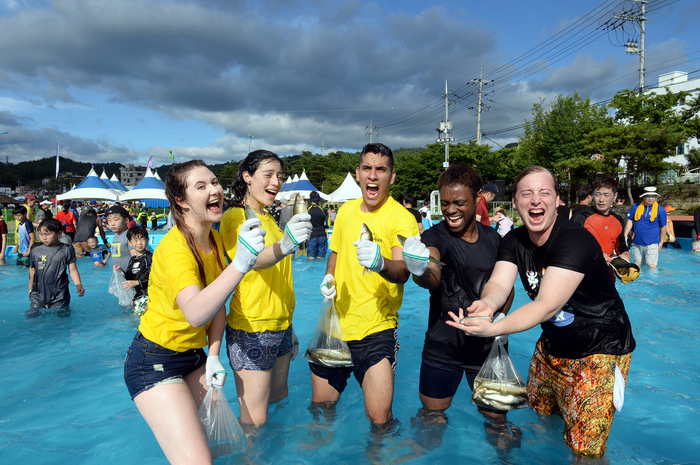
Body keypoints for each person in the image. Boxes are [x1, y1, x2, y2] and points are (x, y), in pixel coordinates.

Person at [450, 166, 636, 458]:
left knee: (585, 450)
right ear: (515, 202)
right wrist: (486, 305)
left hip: (600, 350)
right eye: (527, 193)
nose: (536, 200)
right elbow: (499, 283)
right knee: (543, 420)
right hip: (552, 347)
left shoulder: (574, 240)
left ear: (558, 200)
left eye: (544, 193)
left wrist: (495, 328)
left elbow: (547, 304)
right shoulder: (514, 241)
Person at [124, 160, 266, 464]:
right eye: (201, 186)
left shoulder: (212, 240)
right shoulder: (175, 249)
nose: (214, 189)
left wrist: (213, 355)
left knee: (228, 448)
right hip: (154, 362)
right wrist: (240, 265)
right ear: (181, 200)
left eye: (215, 182)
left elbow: (217, 307)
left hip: (194, 357)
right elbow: (195, 313)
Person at [400, 164, 519, 454]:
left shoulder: (494, 239)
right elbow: (432, 275)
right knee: (431, 421)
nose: (450, 210)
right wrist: (419, 267)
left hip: (487, 350)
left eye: (459, 203)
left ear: (478, 198)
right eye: (446, 203)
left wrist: (500, 316)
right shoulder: (435, 237)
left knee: (498, 426)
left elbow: (507, 287)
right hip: (443, 347)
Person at [314, 143, 419, 427]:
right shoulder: (346, 211)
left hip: (376, 329)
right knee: (321, 410)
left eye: (381, 170)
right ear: (358, 173)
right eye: (367, 168)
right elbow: (334, 254)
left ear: (392, 176)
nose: (373, 176)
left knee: (380, 420)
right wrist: (329, 278)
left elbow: (403, 270)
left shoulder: (401, 218)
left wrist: (380, 262)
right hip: (334, 324)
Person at [220, 150, 312, 427]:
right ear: (247, 177)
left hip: (280, 324)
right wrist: (285, 245)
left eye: (280, 176)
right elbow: (253, 261)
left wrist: (289, 326)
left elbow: (279, 278)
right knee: (254, 420)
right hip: (252, 326)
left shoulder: (269, 219)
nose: (276, 182)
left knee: (279, 397)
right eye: (268, 175)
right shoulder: (236, 217)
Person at [28, 218, 84, 317]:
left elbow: (73, 269)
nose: (44, 238)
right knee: (32, 315)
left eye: (47, 234)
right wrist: (30, 288)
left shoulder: (66, 249)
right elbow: (32, 270)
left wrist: (78, 284)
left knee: (61, 317)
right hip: (38, 293)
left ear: (59, 233)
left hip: (60, 293)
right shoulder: (35, 249)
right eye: (41, 234)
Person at [571, 176, 631, 267]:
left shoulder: (618, 220)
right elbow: (570, 245)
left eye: (606, 195)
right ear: (592, 195)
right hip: (585, 273)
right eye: (597, 194)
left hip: (608, 273)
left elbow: (620, 244)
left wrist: (625, 253)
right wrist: (597, 254)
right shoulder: (580, 218)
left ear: (615, 196)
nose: (601, 199)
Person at [624, 187, 668, 268]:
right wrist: (626, 234)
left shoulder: (660, 210)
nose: (650, 198)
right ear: (643, 197)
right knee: (637, 266)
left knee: (651, 266)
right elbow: (630, 221)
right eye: (648, 196)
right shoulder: (635, 206)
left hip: (651, 244)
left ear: (656, 197)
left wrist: (661, 242)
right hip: (637, 243)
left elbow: (663, 227)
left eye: (653, 196)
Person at [121, 226, 153, 315]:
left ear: (147, 240)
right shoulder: (133, 259)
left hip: (146, 296)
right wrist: (120, 271)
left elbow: (156, 278)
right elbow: (129, 276)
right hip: (136, 296)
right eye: (135, 240)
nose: (139, 242)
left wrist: (138, 282)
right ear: (130, 243)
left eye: (142, 239)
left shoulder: (150, 258)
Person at [106, 205, 133, 271]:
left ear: (126, 220)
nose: (112, 224)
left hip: (128, 276)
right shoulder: (116, 236)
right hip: (118, 275)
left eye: (116, 220)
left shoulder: (129, 235)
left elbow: (136, 258)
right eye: (109, 220)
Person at [308, 192, 329, 260]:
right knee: (321, 258)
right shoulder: (323, 210)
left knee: (311, 258)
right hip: (322, 235)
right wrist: (323, 226)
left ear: (311, 200)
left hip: (312, 235)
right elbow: (328, 224)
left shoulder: (308, 210)